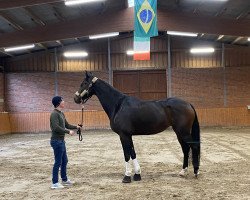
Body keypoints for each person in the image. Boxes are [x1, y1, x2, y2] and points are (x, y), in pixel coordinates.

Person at [50, 96, 81, 189]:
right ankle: (55, 183)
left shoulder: (61, 114)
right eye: (62, 100)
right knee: (58, 162)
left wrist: (76, 127)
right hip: (56, 141)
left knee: (64, 161)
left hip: (61, 141)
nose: (64, 101)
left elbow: (66, 125)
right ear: (59, 103)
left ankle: (64, 179)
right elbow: (56, 127)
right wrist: (68, 132)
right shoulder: (54, 114)